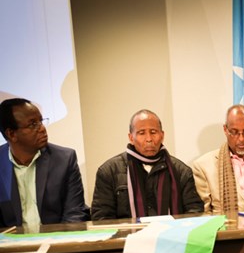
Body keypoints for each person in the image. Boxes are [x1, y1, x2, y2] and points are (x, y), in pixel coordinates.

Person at [91, 109, 203, 220]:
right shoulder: (109, 171)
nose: (149, 139)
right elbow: (102, 219)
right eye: (141, 133)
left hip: (173, 231)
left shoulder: (181, 171)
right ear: (131, 137)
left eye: (153, 132)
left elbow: (194, 213)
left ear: (162, 135)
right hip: (128, 232)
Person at [0, 98, 87, 229]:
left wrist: (56, 240)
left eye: (40, 121)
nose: (42, 129)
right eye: (32, 124)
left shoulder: (64, 159)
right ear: (11, 134)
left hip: (56, 238)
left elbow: (74, 213)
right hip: (11, 241)